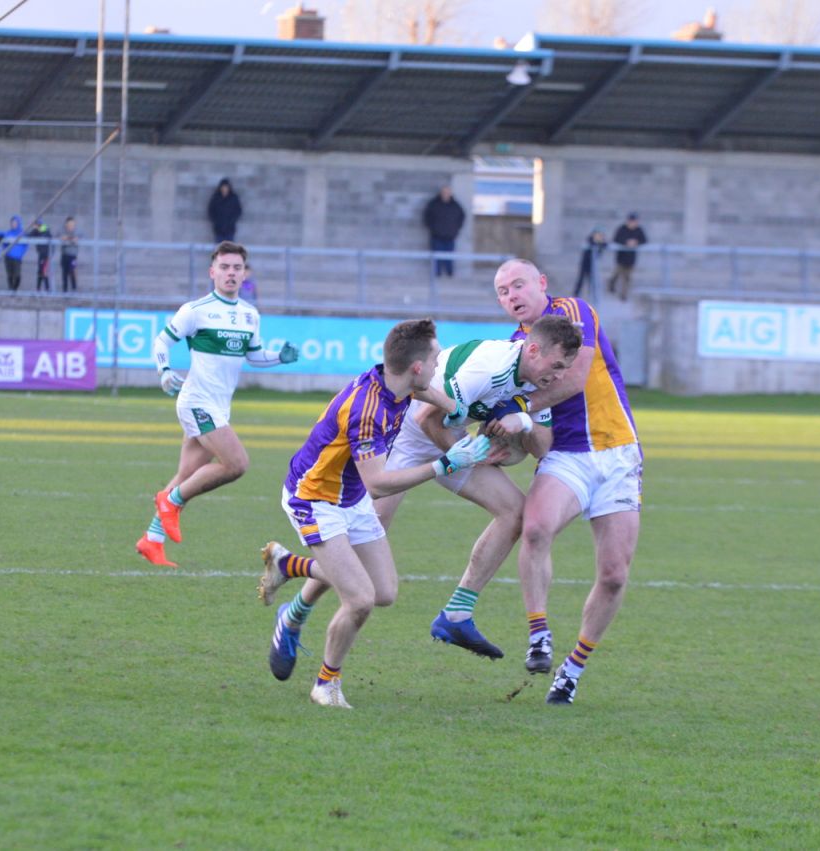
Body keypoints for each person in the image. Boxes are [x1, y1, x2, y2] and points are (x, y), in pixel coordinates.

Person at [257, 316, 582, 669]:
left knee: (515, 512)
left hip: (451, 444)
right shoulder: (489, 368)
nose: (561, 375)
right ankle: (293, 613)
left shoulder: (535, 382)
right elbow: (427, 417)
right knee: (353, 553)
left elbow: (543, 447)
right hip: (405, 438)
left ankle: (457, 613)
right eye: (558, 365)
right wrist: (463, 458)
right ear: (534, 351)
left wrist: (522, 420)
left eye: (566, 368)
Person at [261, 318, 491, 708]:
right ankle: (325, 684)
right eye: (435, 360)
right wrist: (446, 464)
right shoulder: (368, 410)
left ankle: (288, 566)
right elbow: (379, 484)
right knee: (360, 600)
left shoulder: (396, 380)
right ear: (416, 366)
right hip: (315, 498)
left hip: (348, 496)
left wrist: (454, 408)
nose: (437, 367)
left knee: (384, 592)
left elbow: (424, 393)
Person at [493, 258, 643, 706]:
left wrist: (517, 408)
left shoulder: (572, 311)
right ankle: (539, 633)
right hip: (569, 455)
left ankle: (572, 669)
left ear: (541, 283)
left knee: (614, 575)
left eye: (518, 285)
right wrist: (502, 431)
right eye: (502, 292)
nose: (511, 296)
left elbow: (575, 379)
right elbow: (525, 424)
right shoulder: (514, 351)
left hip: (616, 452)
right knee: (535, 527)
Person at [136, 241, 301, 568]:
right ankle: (171, 502)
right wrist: (164, 370)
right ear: (212, 272)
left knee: (188, 474)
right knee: (237, 463)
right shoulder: (195, 310)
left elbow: (254, 356)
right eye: (224, 267)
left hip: (218, 406)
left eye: (237, 268)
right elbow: (161, 341)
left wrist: (278, 357)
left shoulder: (249, 315)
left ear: (244, 274)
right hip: (197, 401)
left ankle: (152, 539)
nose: (231, 273)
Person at [423, 185, 466, 277]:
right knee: (436, 257)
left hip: (450, 236)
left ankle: (449, 274)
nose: (445, 194)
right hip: (437, 236)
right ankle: (436, 275)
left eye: (447, 192)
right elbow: (427, 217)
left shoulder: (455, 206)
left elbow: (461, 217)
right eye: (444, 192)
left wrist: (455, 229)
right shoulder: (433, 204)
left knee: (449, 257)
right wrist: (432, 228)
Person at [606, 212, 647, 301]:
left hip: (631, 259)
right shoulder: (622, 229)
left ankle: (624, 295)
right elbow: (616, 239)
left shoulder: (639, 230)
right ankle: (611, 285)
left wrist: (636, 242)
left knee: (627, 277)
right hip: (621, 258)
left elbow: (644, 240)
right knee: (616, 274)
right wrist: (626, 242)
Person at [572, 227, 607, 298]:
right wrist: (597, 242)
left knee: (593, 281)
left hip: (594, 265)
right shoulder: (590, 240)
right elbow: (591, 243)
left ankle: (593, 296)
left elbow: (605, 244)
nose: (599, 236)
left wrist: (601, 242)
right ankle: (576, 294)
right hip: (586, 263)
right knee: (581, 279)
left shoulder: (601, 242)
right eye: (597, 234)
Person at [207, 177, 242, 243]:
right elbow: (211, 211)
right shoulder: (216, 198)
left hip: (230, 229)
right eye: (223, 187)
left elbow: (238, 211)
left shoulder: (233, 198)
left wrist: (231, 221)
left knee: (229, 249)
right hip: (218, 229)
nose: (224, 189)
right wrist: (216, 222)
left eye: (226, 187)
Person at [27, 218, 53, 292]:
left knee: (44, 271)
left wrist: (37, 230)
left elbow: (47, 236)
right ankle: (38, 288)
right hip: (40, 254)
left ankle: (47, 289)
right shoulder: (36, 231)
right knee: (40, 271)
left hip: (46, 255)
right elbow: (29, 235)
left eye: (36, 225)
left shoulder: (46, 230)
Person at [3, 215, 27, 292]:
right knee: (9, 274)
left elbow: (25, 245)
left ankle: (14, 288)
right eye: (12, 223)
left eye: (15, 223)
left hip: (17, 258)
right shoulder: (8, 233)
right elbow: (4, 244)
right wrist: (6, 251)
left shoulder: (22, 234)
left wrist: (21, 253)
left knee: (17, 275)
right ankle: (10, 289)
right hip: (8, 257)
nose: (14, 224)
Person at [59, 216, 79, 292]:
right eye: (69, 225)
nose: (71, 226)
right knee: (64, 273)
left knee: (72, 271)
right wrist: (65, 238)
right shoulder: (62, 231)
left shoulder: (77, 231)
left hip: (73, 256)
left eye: (72, 225)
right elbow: (58, 236)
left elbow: (80, 237)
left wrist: (73, 239)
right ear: (66, 224)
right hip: (64, 255)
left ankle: (74, 288)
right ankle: (65, 290)